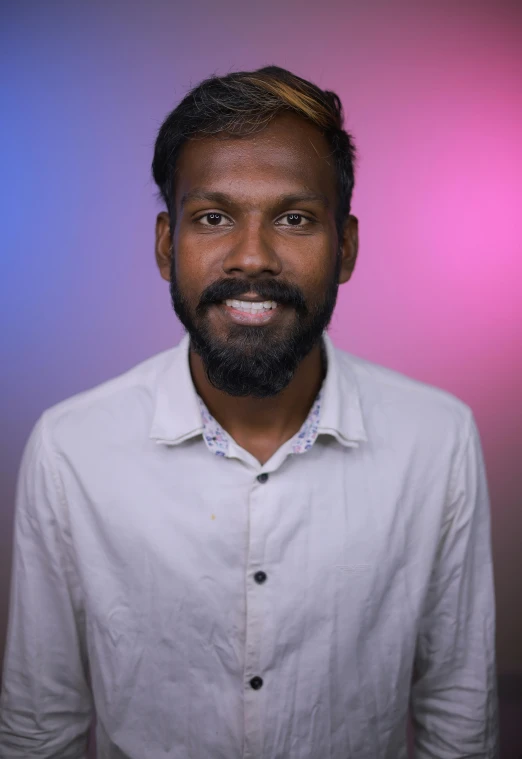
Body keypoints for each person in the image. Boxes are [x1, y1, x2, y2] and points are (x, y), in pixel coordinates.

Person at [0, 66, 499, 758]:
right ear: (166, 244)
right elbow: (38, 729)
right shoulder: (70, 448)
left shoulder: (437, 440)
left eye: (294, 218)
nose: (253, 256)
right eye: (213, 217)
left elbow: (459, 719)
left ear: (346, 246)